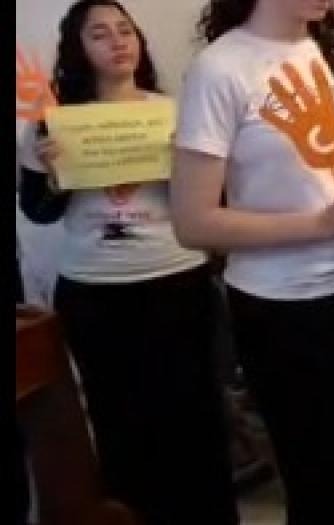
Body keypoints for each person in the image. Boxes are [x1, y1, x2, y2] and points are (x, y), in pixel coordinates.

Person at [172, 0, 334, 522]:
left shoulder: (330, 52)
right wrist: (321, 224)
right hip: (286, 308)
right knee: (324, 487)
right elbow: (192, 222)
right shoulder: (220, 69)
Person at [17, 2, 238, 523]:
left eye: (125, 30)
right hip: (95, 292)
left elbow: (217, 199)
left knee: (196, 417)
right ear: (78, 49)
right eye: (100, 34)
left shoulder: (178, 112)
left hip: (176, 279)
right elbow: (38, 212)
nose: (118, 42)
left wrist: (184, 167)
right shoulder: (54, 124)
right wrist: (50, 175)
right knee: (120, 422)